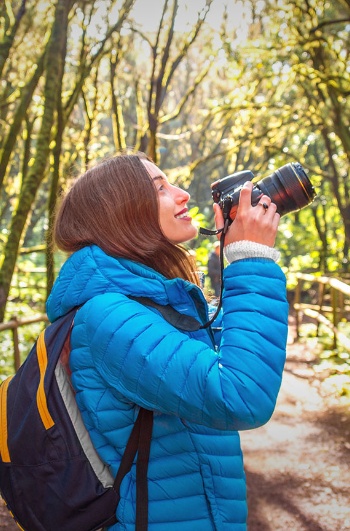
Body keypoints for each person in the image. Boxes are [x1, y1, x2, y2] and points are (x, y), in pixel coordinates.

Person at [47, 152, 289, 530]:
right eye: (160, 188)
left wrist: (237, 247)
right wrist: (251, 258)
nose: (183, 195)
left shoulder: (153, 303)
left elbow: (241, 352)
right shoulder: (108, 317)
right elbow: (241, 394)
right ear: (120, 212)